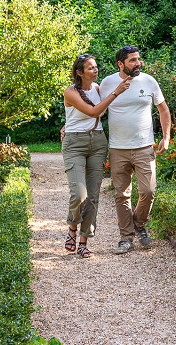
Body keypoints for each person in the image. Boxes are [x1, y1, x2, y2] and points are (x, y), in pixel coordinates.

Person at [100, 45, 171, 254]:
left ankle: (139, 224)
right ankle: (126, 238)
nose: (138, 63)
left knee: (148, 191)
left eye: (138, 59)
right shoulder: (107, 83)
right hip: (118, 148)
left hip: (143, 147)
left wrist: (166, 138)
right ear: (120, 64)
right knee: (121, 195)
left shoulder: (149, 81)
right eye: (132, 60)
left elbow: (164, 110)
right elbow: (96, 110)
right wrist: (71, 124)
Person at [62, 53, 131, 258]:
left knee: (92, 196)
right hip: (75, 143)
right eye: (90, 68)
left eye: (96, 67)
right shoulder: (70, 92)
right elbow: (93, 112)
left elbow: (105, 110)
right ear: (79, 72)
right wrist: (116, 92)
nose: (95, 70)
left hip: (98, 142)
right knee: (79, 195)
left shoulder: (99, 88)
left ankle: (83, 241)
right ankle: (72, 228)